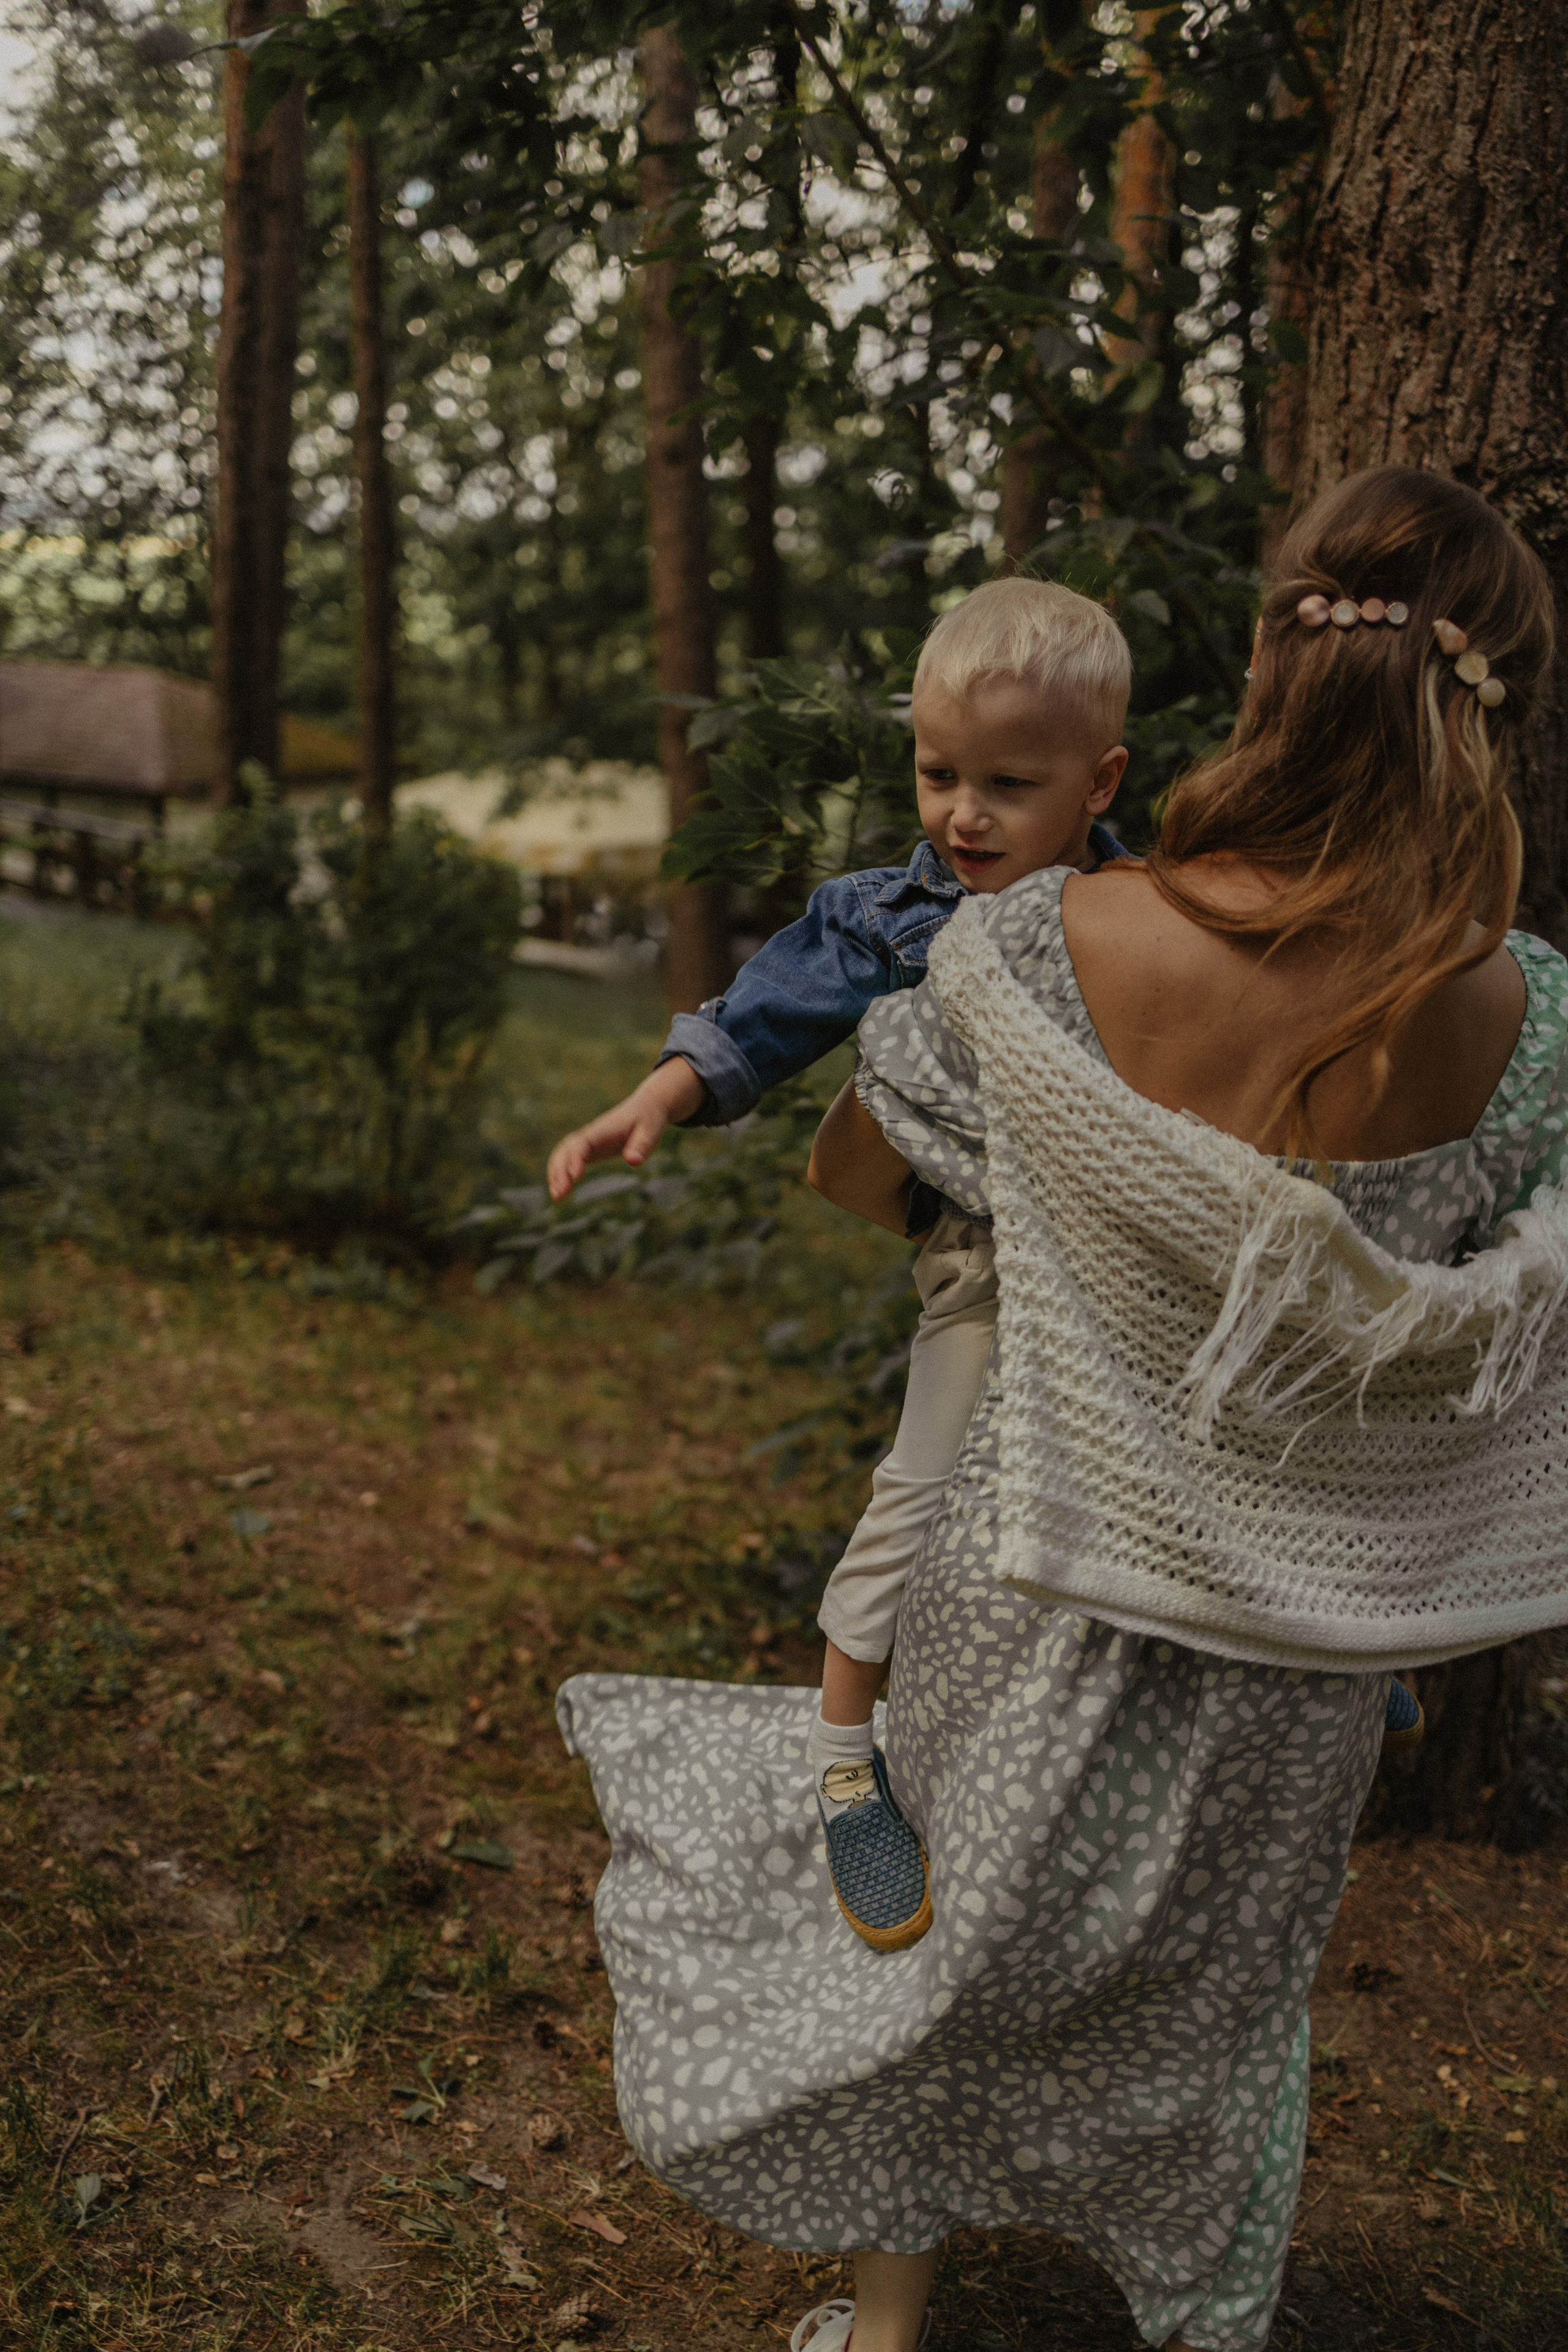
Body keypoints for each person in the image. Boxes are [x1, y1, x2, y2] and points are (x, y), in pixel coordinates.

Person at [559, 465, 1568, 2352]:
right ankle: (1197, 2311)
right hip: (1302, 1639)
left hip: (1036, 1567)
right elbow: (1512, 1300)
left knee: (940, 1935)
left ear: (1273, 669)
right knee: (1223, 1996)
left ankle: (888, 2326)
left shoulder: (1030, 953)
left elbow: (923, 1133)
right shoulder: (1527, 1020)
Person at [549, 579, 1420, 1958]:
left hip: (1138, 1260)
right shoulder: (895, 912)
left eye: (1006, 784)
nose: (960, 813)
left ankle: (1342, 1646)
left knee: (1260, 1416)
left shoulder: (1148, 908)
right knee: (926, 1477)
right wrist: (660, 1096)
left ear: (1099, 782)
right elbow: (764, 1015)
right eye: (937, 772)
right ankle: (847, 1755)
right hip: (986, 1264)